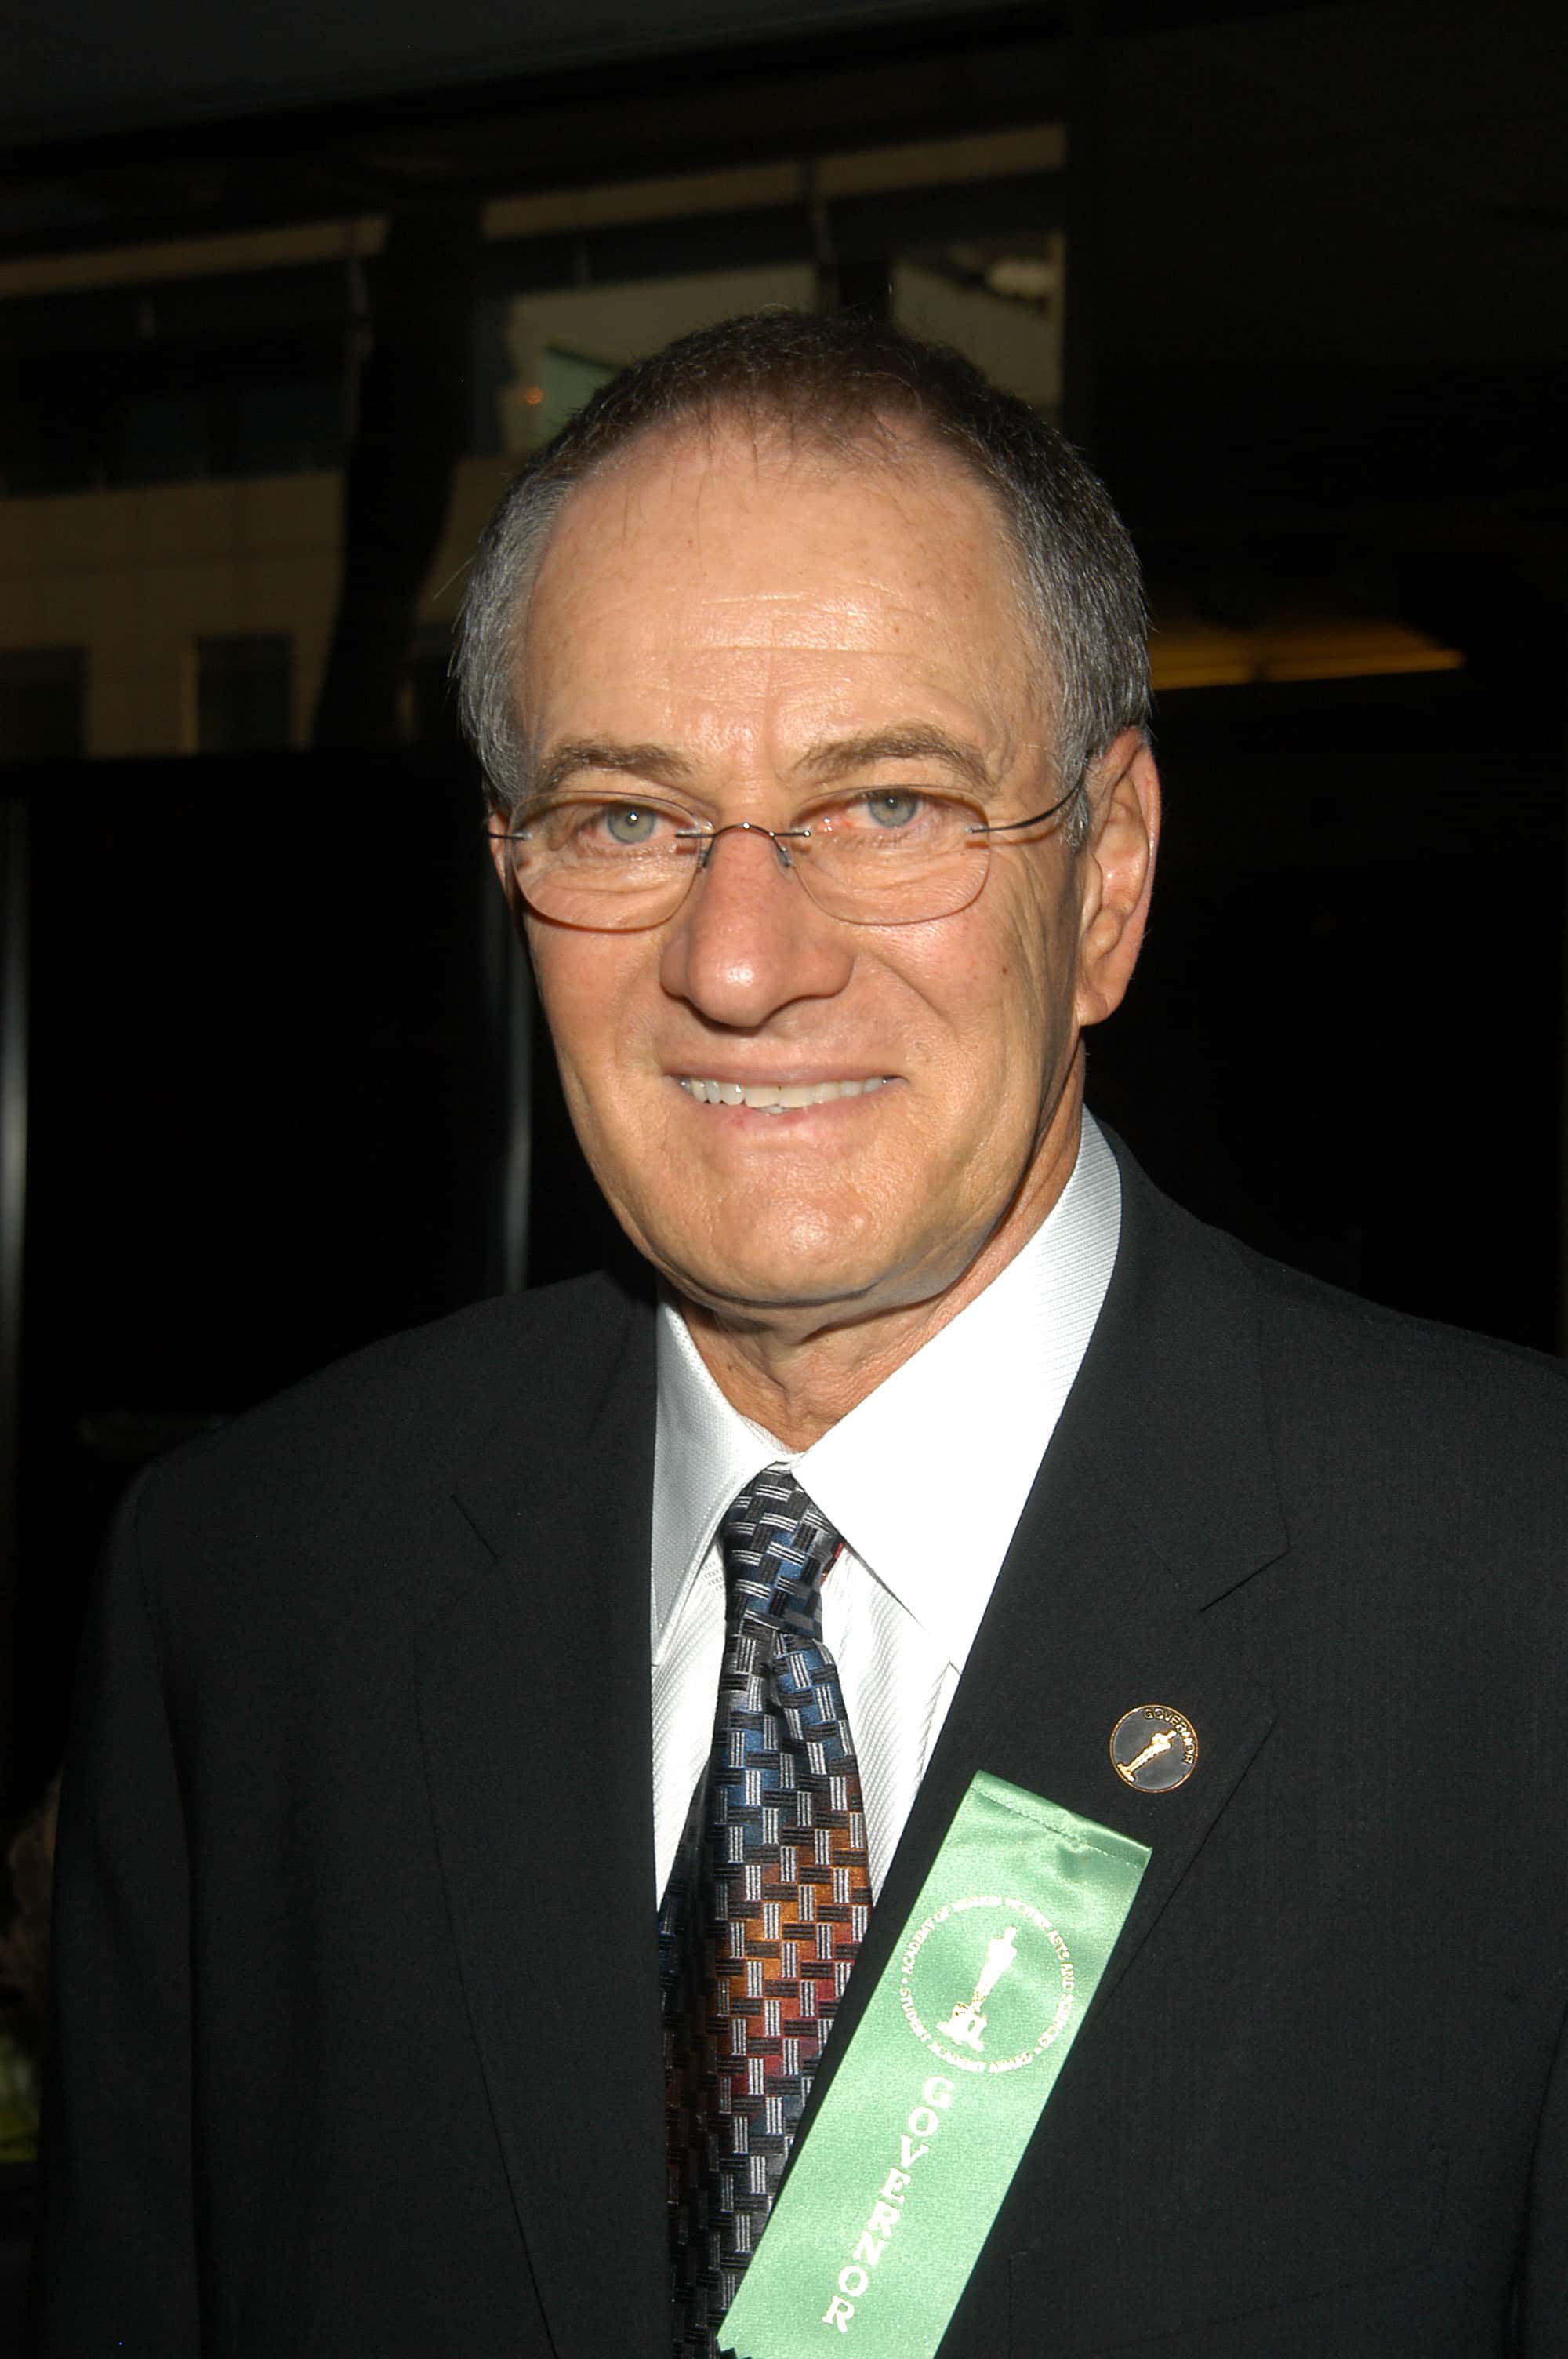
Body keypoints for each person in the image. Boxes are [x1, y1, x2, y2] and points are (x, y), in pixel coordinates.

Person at [38, 312, 1566, 2357]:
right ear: (511, 872)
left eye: (891, 807)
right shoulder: (256, 1590)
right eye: (626, 819)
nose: (742, 964)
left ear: (1107, 877)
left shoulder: (1513, 1601)